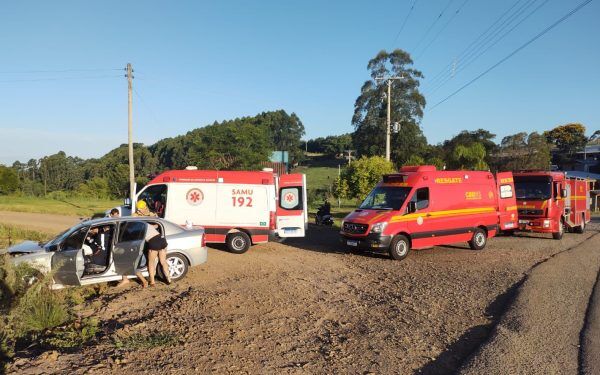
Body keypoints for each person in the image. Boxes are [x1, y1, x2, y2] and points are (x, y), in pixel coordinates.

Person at [114, 210, 149, 288]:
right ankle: (125, 279)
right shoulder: (132, 232)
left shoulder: (130, 235)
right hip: (136, 254)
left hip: (140, 257)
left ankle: (144, 281)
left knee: (131, 266)